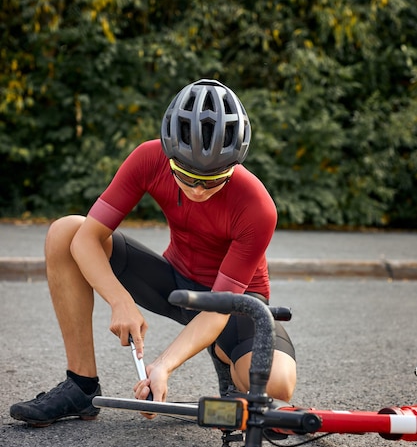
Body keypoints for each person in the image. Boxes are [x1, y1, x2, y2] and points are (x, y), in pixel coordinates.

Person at [10, 79, 296, 427]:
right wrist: (119, 300)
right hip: (174, 284)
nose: (199, 189)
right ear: (169, 155)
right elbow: (85, 240)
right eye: (186, 176)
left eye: (214, 179)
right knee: (65, 231)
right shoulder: (148, 158)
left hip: (235, 305)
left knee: (277, 384)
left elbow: (220, 307)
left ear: (235, 164)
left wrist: (161, 367)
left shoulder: (258, 207)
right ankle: (80, 386)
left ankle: (227, 354)